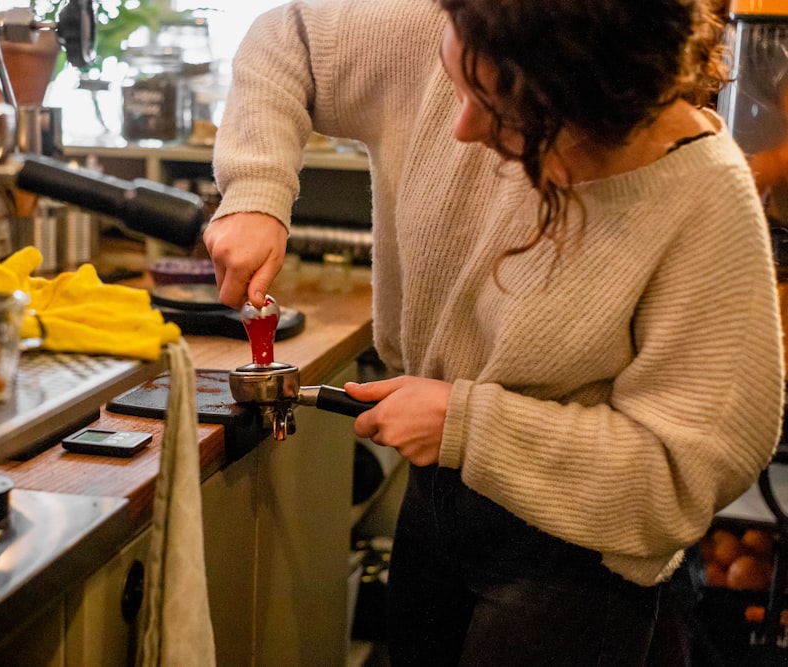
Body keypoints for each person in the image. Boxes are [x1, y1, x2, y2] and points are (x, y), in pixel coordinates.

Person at [203, 0, 785, 664]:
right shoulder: (481, 25)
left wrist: (469, 425)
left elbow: (684, 470)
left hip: (574, 560)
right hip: (435, 506)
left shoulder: (703, 197)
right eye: (457, 82)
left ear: (594, 110)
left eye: (499, 108)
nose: (460, 128)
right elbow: (290, 39)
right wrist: (254, 193)